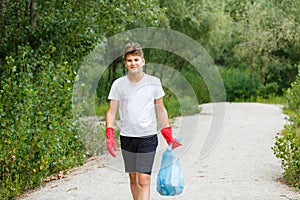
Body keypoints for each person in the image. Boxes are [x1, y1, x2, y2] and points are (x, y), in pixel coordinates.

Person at [105, 42, 182, 200]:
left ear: (143, 61)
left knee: (143, 179)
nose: (133, 63)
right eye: (129, 60)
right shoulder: (118, 84)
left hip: (147, 137)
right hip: (127, 137)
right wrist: (109, 134)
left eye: (136, 59)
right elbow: (111, 112)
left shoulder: (153, 82)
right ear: (125, 63)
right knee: (133, 178)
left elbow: (160, 108)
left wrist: (167, 133)